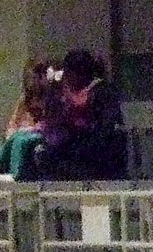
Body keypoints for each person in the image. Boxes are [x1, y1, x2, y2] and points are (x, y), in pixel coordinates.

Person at [32, 49, 125, 181]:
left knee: (51, 155)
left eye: (68, 74)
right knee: (42, 151)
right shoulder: (70, 92)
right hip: (77, 140)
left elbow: (102, 126)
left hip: (97, 146)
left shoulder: (101, 91)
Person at [0, 58, 54, 183]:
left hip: (44, 134)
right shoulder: (25, 99)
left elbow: (49, 122)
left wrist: (28, 129)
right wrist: (11, 133)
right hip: (23, 133)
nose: (31, 82)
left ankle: (15, 175)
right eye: (29, 78)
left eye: (34, 78)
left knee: (21, 139)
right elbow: (14, 121)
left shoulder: (51, 98)